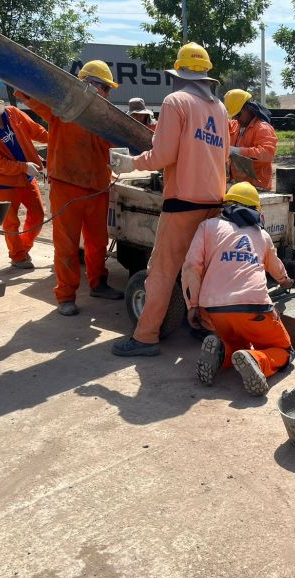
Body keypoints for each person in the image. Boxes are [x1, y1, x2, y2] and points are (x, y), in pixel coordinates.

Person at [110, 42, 229, 357]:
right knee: (202, 268)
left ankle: (145, 337)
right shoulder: (220, 108)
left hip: (182, 203)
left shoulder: (176, 101)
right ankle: (205, 326)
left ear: (179, 73)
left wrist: (131, 163)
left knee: (162, 272)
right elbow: (223, 156)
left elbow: (162, 155)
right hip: (214, 202)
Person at [16, 60, 124, 316]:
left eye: (108, 90)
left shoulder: (106, 118)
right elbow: (30, 93)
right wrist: (27, 70)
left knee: (98, 242)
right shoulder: (62, 107)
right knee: (67, 245)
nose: (107, 94)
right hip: (66, 187)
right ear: (88, 84)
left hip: (97, 187)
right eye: (105, 88)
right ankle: (66, 296)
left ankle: (98, 283)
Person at [181, 182, 294, 395]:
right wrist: (286, 281)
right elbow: (276, 267)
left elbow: (191, 267)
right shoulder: (262, 236)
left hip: (214, 309)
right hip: (254, 307)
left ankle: (220, 353)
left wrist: (192, 305)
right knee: (283, 350)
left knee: (236, 343)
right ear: (256, 211)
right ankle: (257, 360)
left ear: (226, 204)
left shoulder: (207, 227)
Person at [0, 89, 47, 269]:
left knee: (38, 215)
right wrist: (23, 166)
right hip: (6, 183)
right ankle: (18, 256)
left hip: (27, 177)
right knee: (11, 222)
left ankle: (23, 248)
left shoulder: (13, 113)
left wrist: (57, 139)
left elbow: (36, 131)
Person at [223, 89, 278, 191]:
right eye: (234, 116)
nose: (236, 119)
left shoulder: (262, 128)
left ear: (248, 108)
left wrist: (238, 151)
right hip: (239, 186)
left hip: (257, 187)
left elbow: (267, 153)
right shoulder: (236, 125)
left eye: (238, 115)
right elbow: (220, 122)